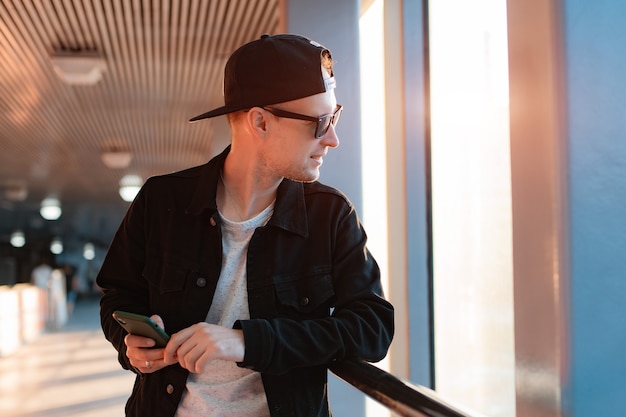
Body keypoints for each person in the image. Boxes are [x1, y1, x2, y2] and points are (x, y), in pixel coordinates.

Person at [97, 33, 394, 417]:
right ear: (260, 122)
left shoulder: (330, 215)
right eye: (320, 123)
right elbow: (117, 296)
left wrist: (248, 341)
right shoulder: (161, 201)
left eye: (334, 117)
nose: (333, 139)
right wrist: (128, 342)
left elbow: (372, 329)